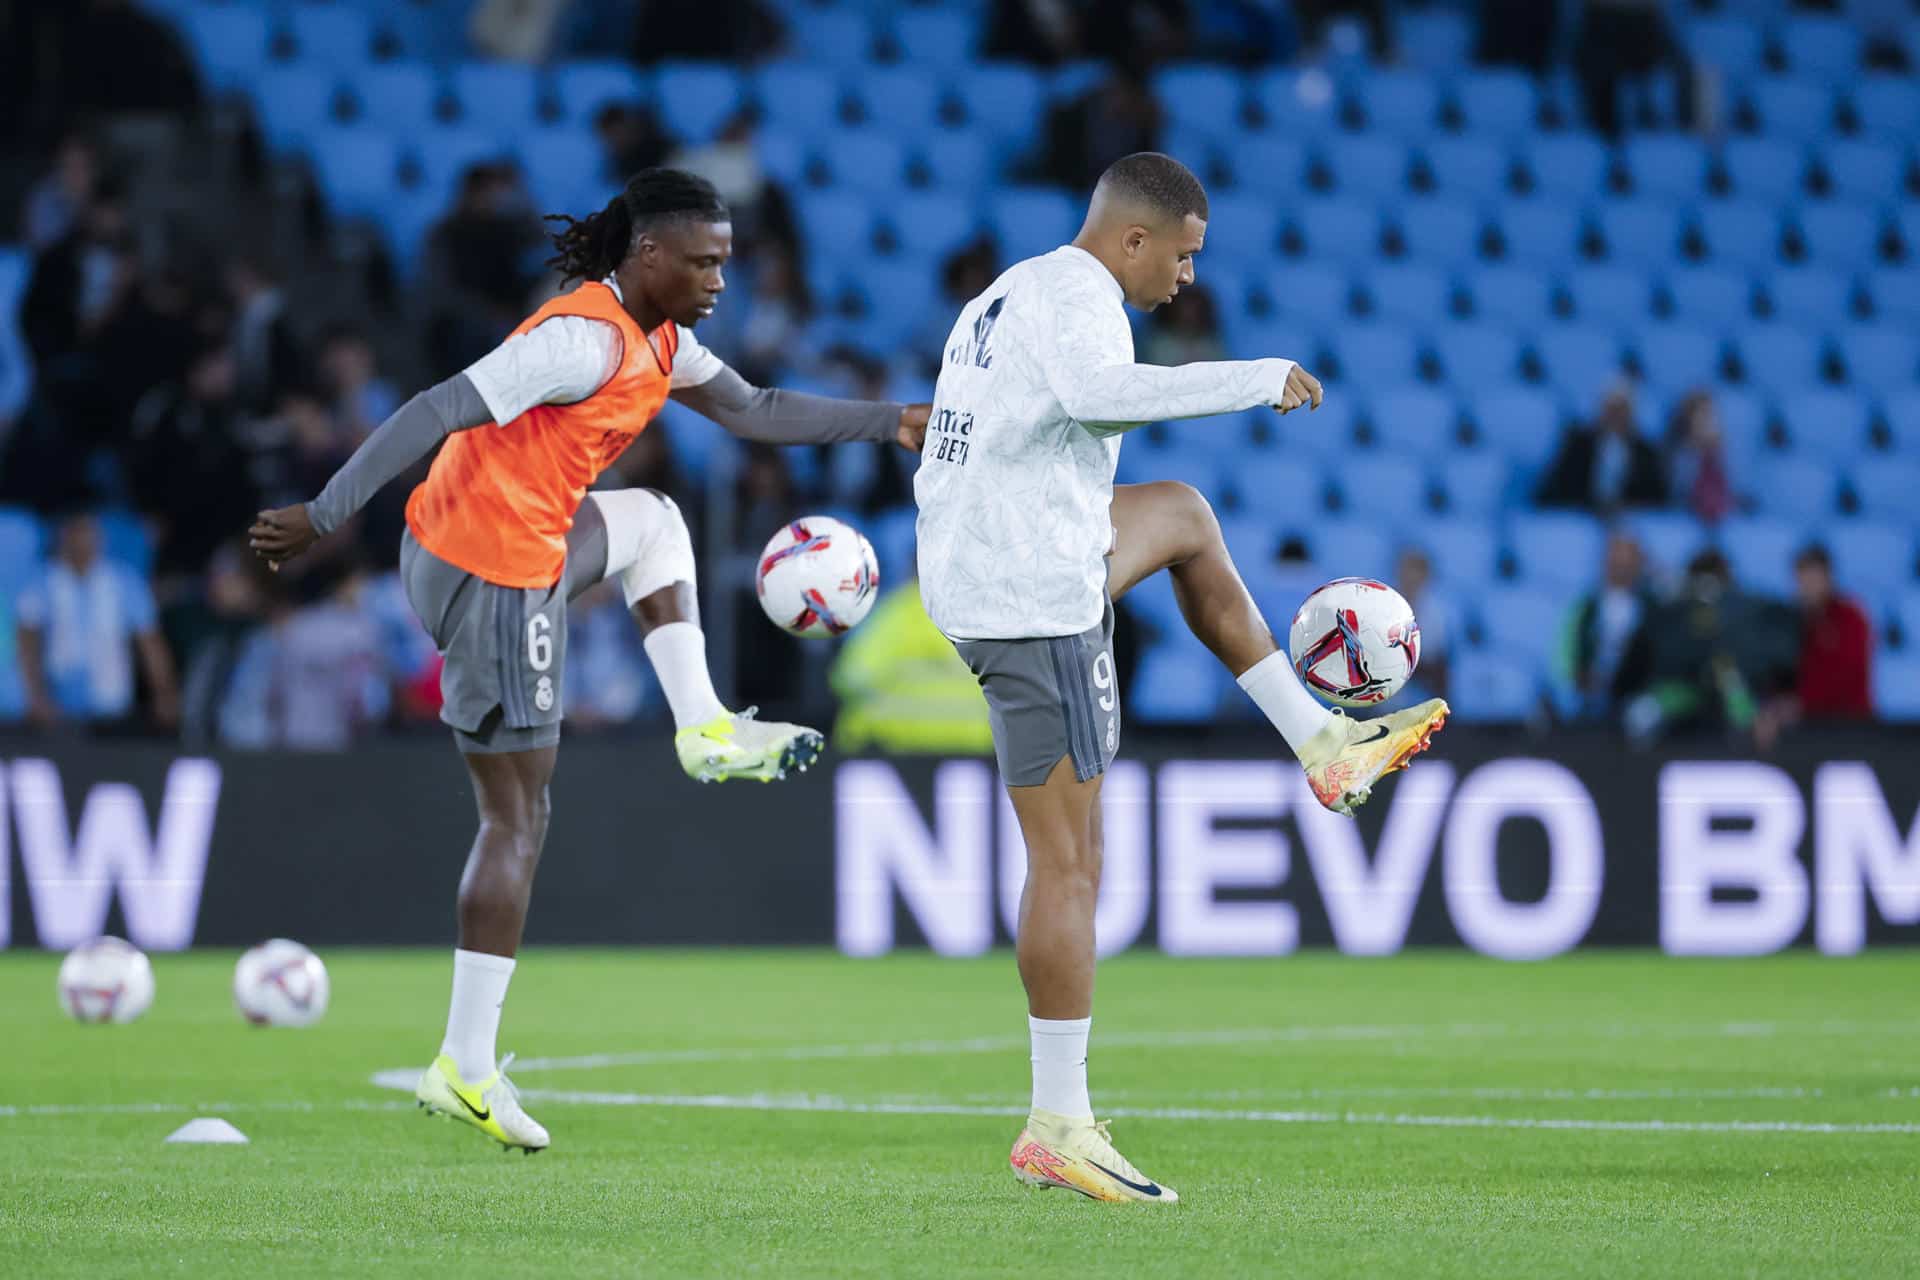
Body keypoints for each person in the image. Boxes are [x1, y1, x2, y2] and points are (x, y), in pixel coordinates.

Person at [248, 168, 930, 1152]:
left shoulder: (660, 339)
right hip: (488, 571)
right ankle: (465, 1066)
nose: (717, 281)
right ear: (647, 256)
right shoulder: (579, 340)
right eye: (701, 262)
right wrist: (323, 512)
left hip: (501, 547)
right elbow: (437, 407)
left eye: (725, 263)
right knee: (518, 815)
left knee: (655, 523)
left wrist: (888, 420)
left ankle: (705, 728)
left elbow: (755, 407)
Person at [913, 152, 1448, 1203]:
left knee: (1184, 516)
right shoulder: (1083, 303)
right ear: (1133, 241)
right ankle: (1058, 1121)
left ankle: (1326, 744)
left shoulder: (1007, 289)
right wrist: (1255, 376)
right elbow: (1098, 395)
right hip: (1029, 601)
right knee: (1068, 867)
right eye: (1186, 257)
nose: (1189, 280)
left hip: (991, 557)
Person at [16, 512, 180, 733]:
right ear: (63, 536)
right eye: (76, 531)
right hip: (58, 707)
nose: (83, 540)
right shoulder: (41, 580)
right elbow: (27, 642)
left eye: (89, 532)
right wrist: (36, 695)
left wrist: (164, 692)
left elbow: (150, 644)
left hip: (112, 705)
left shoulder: (124, 581)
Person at [1554, 531, 1654, 722]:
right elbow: (1565, 658)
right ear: (1604, 562)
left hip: (1637, 697)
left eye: (1629, 560)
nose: (1622, 567)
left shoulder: (1653, 608)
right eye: (1616, 559)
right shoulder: (1584, 609)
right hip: (1589, 696)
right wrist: (1581, 680)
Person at [1535, 383, 1668, 513]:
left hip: (1630, 519)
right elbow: (1554, 490)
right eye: (1610, 409)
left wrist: (1624, 507)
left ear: (1632, 413)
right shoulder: (1578, 445)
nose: (1615, 416)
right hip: (1582, 517)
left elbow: (1657, 498)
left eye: (1621, 410)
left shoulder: (1646, 451)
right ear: (1599, 410)